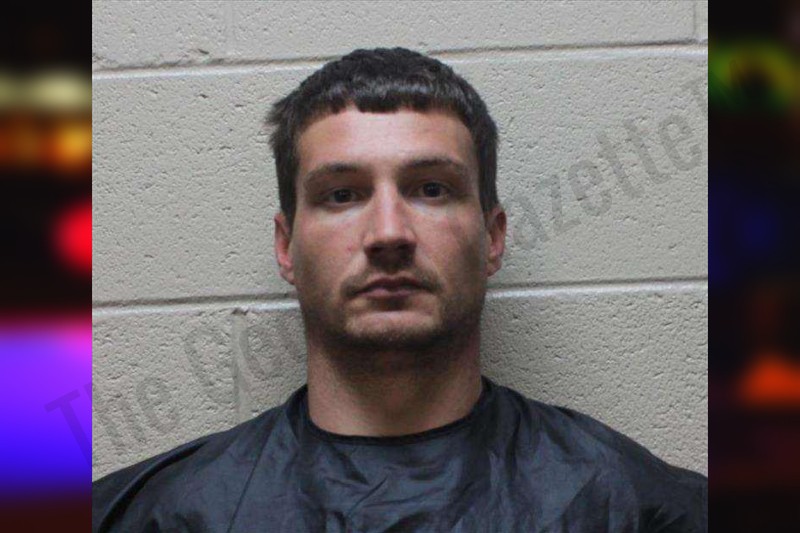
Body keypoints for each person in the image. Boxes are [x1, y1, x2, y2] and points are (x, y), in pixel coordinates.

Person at [92, 47, 707, 532]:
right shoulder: (162, 515)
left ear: (493, 238)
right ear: (286, 247)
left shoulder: (628, 506)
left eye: (431, 189)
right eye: (342, 194)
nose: (389, 233)